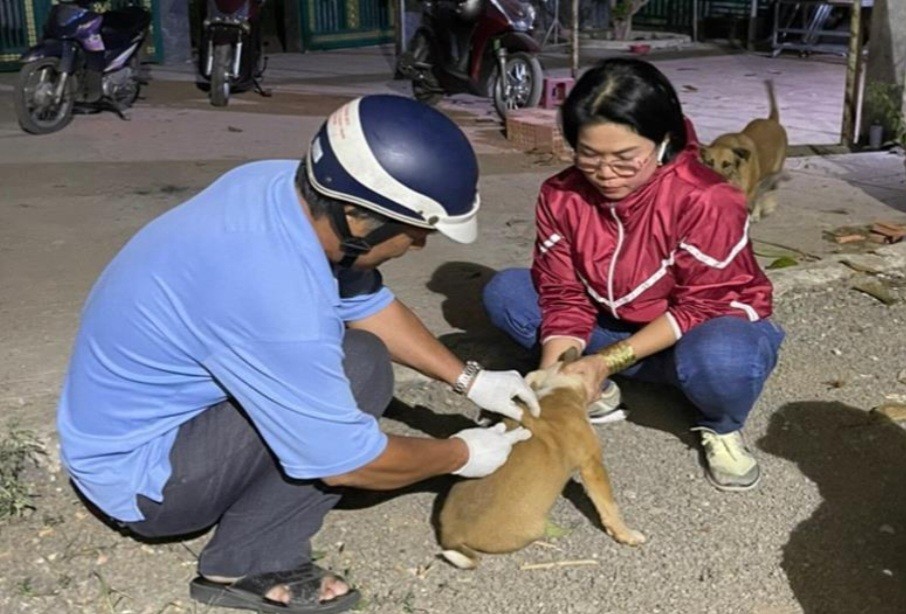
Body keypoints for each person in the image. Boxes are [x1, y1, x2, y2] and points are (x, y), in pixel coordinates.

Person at [57, 94, 540, 614]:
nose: (419, 246)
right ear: (358, 217)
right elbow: (347, 462)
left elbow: (364, 299)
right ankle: (246, 561)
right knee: (359, 372)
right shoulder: (272, 293)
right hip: (146, 481)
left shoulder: (279, 187)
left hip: (135, 425)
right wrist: (460, 454)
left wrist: (470, 379)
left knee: (360, 356)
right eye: (416, 231)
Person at [482, 58, 785, 493]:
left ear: (663, 142)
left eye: (626, 159)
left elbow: (703, 304)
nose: (605, 174)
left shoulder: (709, 199)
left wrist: (604, 359)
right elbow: (563, 293)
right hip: (613, 326)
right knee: (508, 293)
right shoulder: (560, 195)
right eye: (588, 156)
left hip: (699, 331)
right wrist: (555, 386)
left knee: (723, 359)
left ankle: (720, 424)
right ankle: (594, 387)